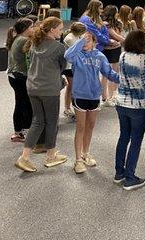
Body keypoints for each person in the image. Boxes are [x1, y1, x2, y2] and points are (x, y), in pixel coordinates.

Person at [15, 17, 67, 172]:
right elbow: (62, 67)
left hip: (32, 87)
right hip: (49, 90)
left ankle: (24, 158)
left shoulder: (33, 43)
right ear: (52, 30)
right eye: (60, 28)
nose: (62, 31)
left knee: (37, 122)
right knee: (51, 122)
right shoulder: (59, 47)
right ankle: (51, 155)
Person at [65, 32, 120, 174]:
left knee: (90, 126)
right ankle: (78, 160)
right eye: (82, 40)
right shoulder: (77, 55)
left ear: (95, 43)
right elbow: (67, 56)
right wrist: (81, 42)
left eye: (88, 41)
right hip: (80, 95)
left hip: (94, 96)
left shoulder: (100, 56)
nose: (84, 43)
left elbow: (109, 73)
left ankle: (86, 153)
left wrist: (124, 78)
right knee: (81, 127)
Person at [114, 30, 145, 190]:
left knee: (123, 137)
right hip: (139, 105)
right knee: (136, 140)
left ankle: (119, 173)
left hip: (121, 101)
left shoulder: (122, 56)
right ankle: (130, 178)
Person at [6, 18, 34, 142]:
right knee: (24, 104)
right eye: (32, 27)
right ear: (25, 29)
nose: (33, 30)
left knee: (22, 103)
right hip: (20, 77)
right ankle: (22, 132)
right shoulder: (23, 40)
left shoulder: (18, 38)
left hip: (14, 76)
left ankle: (21, 130)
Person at [102, 5, 125, 107]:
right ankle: (104, 97)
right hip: (107, 50)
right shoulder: (105, 24)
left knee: (115, 72)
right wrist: (129, 41)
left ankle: (113, 95)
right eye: (116, 12)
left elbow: (119, 35)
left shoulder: (118, 22)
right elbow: (116, 36)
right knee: (105, 74)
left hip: (116, 49)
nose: (117, 13)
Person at [63, 22, 86, 118]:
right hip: (69, 66)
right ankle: (68, 108)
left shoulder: (79, 36)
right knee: (73, 88)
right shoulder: (69, 38)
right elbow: (79, 49)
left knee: (74, 87)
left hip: (77, 65)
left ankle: (72, 108)